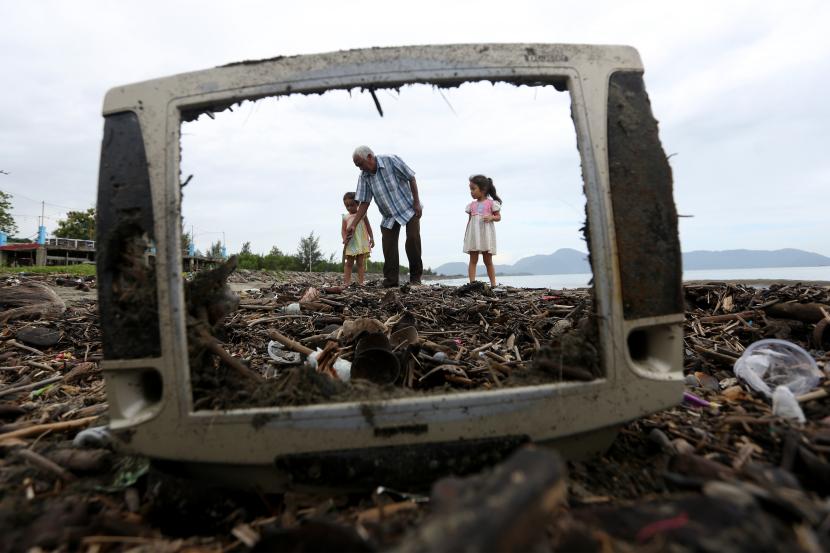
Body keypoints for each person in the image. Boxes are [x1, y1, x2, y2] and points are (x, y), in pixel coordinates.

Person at [346, 145, 423, 287]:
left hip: (408, 207)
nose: (360, 168)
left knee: (412, 239)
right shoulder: (364, 177)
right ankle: (391, 280)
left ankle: (415, 278)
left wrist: (417, 202)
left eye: (360, 164)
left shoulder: (390, 160)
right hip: (388, 215)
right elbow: (364, 202)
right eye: (357, 166)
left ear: (369, 157)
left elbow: (411, 178)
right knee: (388, 245)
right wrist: (353, 224)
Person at [464, 174, 502, 287]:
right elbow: (469, 221)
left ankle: (493, 284)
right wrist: (466, 235)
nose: (471, 192)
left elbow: (498, 217)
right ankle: (472, 283)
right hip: (474, 235)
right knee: (473, 259)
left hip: (486, 236)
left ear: (483, 189)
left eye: (473, 189)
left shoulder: (491, 203)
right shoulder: (471, 205)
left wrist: (491, 217)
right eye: (470, 189)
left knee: (487, 260)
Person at [341, 191, 374, 285]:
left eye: (351, 205)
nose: (349, 208)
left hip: (361, 242)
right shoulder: (345, 217)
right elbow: (343, 230)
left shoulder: (362, 214)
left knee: (360, 263)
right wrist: (344, 239)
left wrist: (372, 238)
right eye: (347, 206)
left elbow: (368, 226)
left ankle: (361, 282)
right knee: (349, 263)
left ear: (357, 203)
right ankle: (346, 282)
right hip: (351, 243)